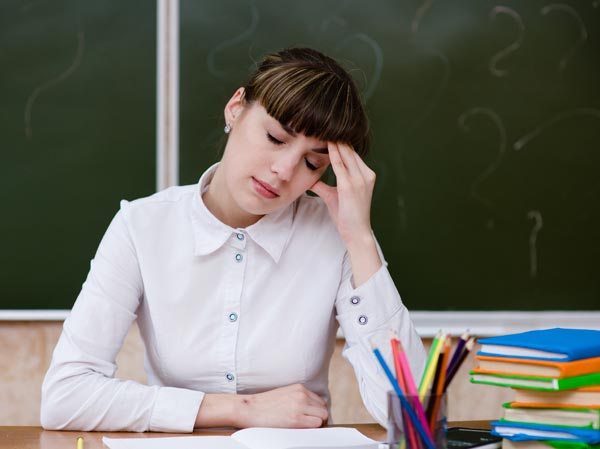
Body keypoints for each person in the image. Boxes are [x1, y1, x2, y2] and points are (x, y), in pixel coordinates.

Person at [40, 47, 426, 433]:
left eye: (312, 163)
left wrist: (359, 238)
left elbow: (413, 416)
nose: (283, 170)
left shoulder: (335, 235)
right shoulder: (141, 226)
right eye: (276, 137)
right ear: (235, 108)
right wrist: (239, 409)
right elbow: (65, 396)